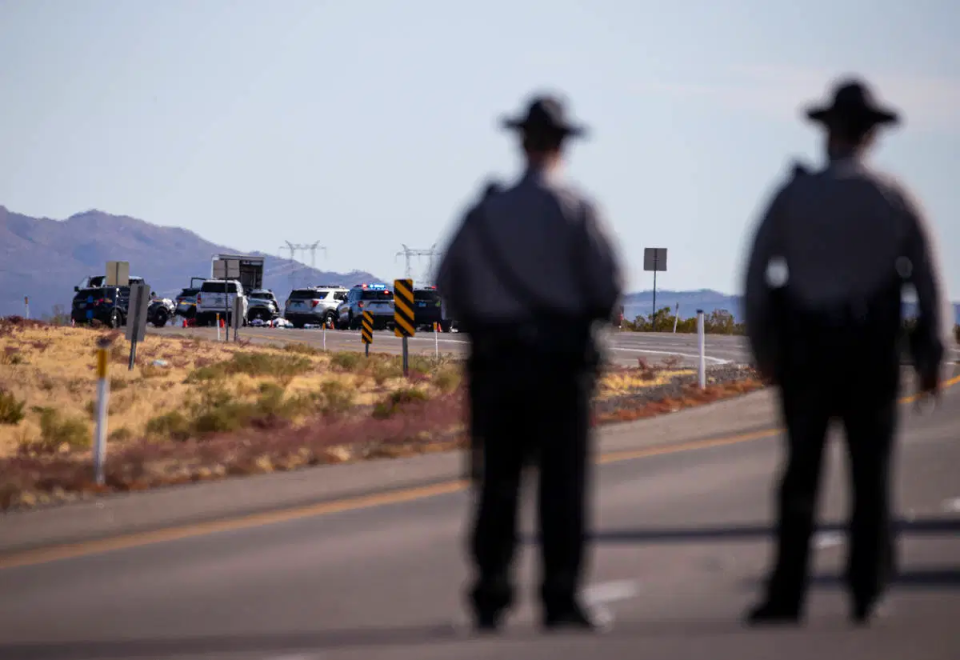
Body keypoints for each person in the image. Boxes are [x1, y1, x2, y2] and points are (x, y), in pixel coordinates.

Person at [742, 77, 951, 626]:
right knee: (871, 475)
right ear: (872, 135)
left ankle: (787, 593)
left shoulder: (794, 195)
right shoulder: (893, 197)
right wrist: (931, 357)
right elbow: (929, 282)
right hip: (870, 355)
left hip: (807, 353)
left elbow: (757, 274)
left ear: (827, 132)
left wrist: (764, 348)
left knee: (801, 474)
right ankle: (868, 588)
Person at [436, 94, 623, 633]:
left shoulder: (486, 211)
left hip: (497, 364)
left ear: (521, 141)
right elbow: (609, 286)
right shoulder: (577, 210)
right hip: (560, 368)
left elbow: (449, 282)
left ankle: (491, 595)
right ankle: (561, 597)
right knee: (562, 485)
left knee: (496, 482)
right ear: (564, 144)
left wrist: (487, 328)